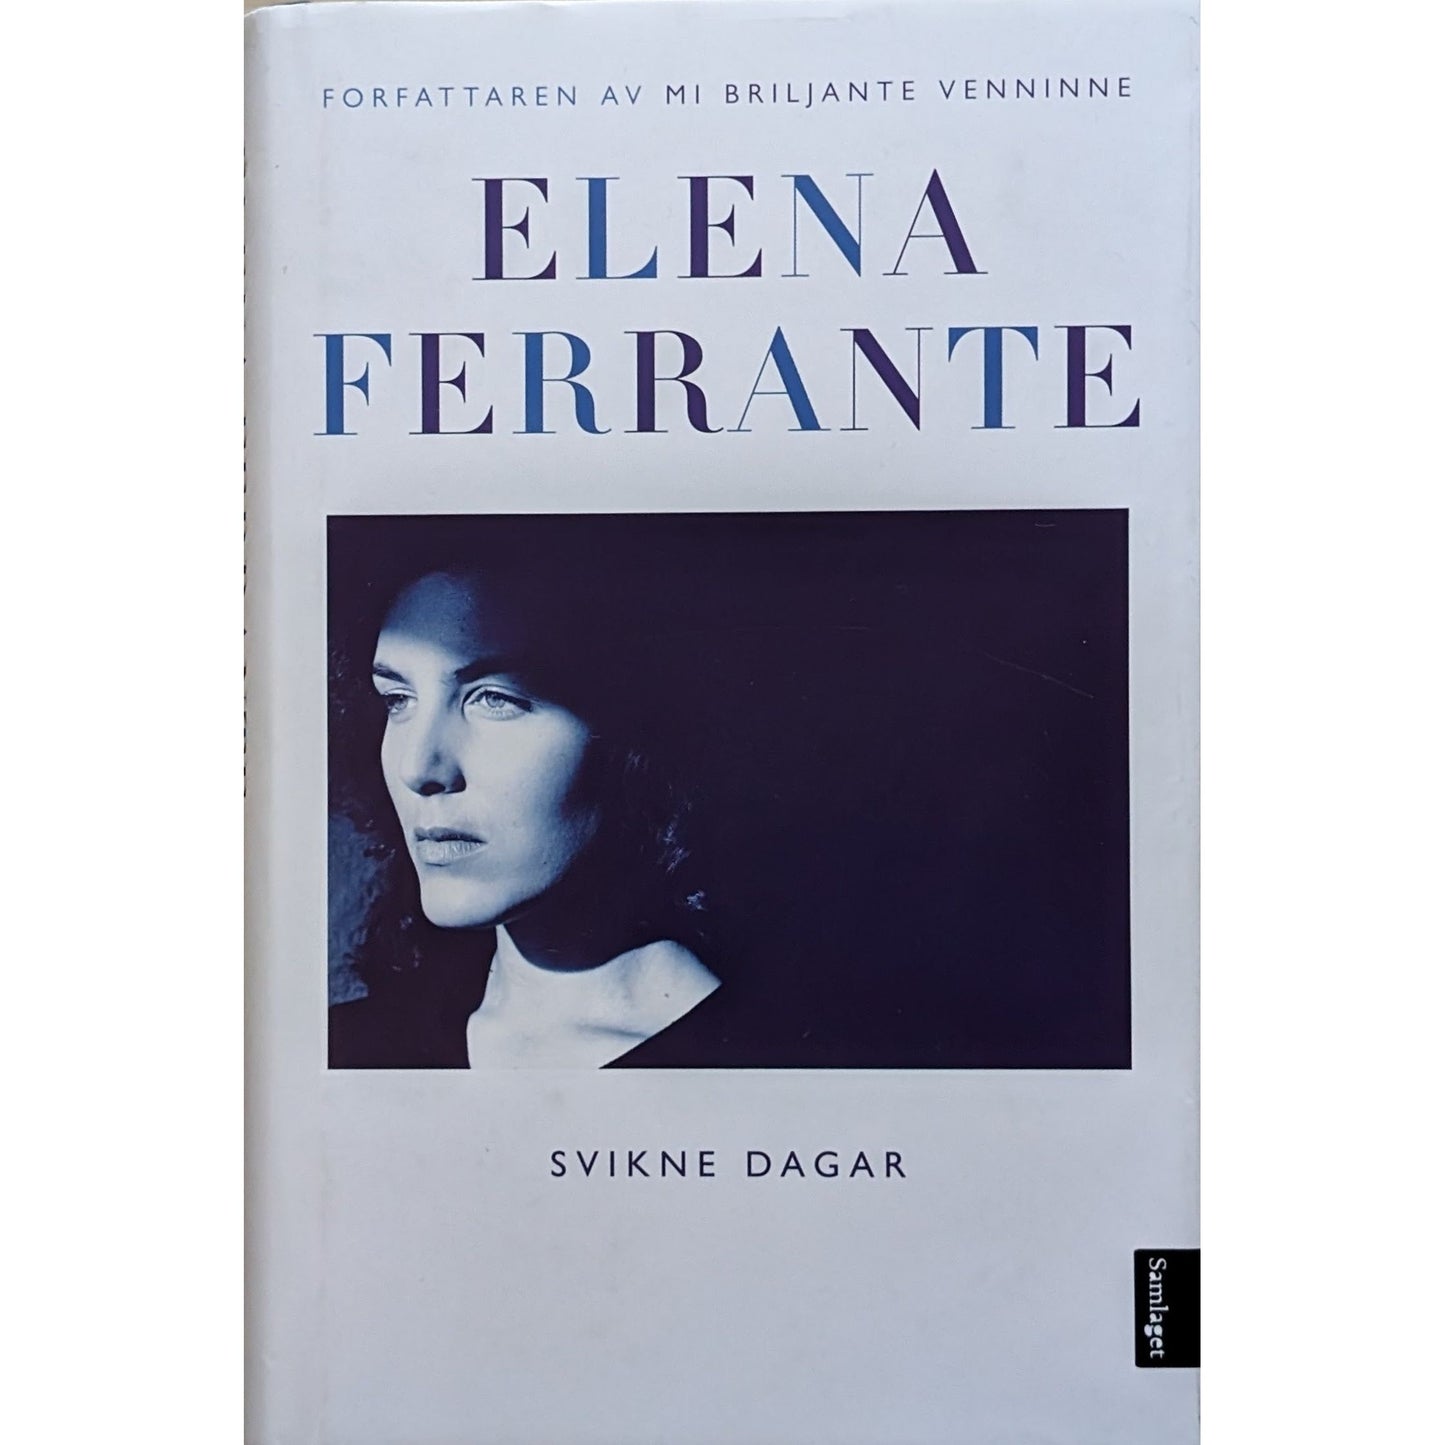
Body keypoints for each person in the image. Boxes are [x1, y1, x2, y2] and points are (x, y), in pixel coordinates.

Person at [328, 543, 722, 1069]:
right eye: (398, 700)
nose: (417, 766)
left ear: (637, 735)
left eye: (495, 698)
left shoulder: (778, 1063)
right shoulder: (346, 1051)